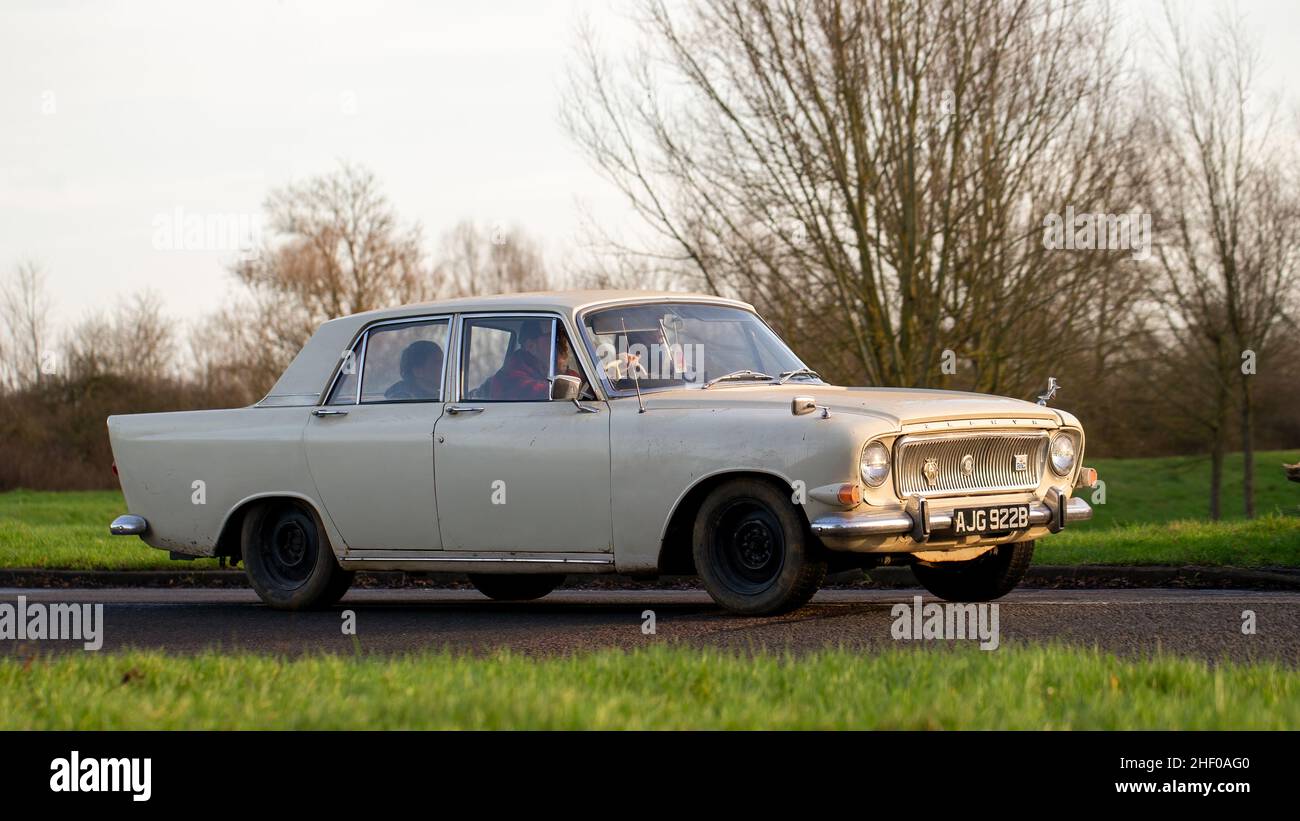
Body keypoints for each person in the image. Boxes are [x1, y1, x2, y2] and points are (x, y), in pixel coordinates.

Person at [486, 320, 579, 401]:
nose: (563, 342)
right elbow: (550, 392)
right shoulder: (510, 376)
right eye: (554, 336)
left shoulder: (543, 368)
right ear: (530, 345)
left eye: (563, 336)